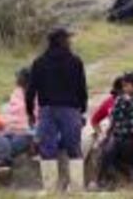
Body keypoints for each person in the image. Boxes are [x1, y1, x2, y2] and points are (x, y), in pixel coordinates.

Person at [26, 27, 88, 193]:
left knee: (47, 149)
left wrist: (30, 112)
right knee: (74, 148)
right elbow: (82, 88)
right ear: (61, 41)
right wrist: (82, 109)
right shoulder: (75, 61)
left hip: (47, 110)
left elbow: (30, 90)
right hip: (70, 110)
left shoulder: (39, 62)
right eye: (67, 39)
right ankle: (77, 189)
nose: (69, 41)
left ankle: (50, 190)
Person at [100, 72, 133, 188]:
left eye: (127, 86)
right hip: (120, 134)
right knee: (108, 151)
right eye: (124, 86)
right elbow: (114, 115)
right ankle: (102, 179)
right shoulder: (119, 99)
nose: (125, 89)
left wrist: (130, 102)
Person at [0, 68, 36, 167]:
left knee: (9, 145)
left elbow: (36, 119)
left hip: (25, 132)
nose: (17, 80)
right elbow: (10, 112)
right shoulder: (16, 93)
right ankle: (3, 158)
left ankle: (3, 159)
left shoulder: (38, 96)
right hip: (8, 130)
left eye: (19, 77)